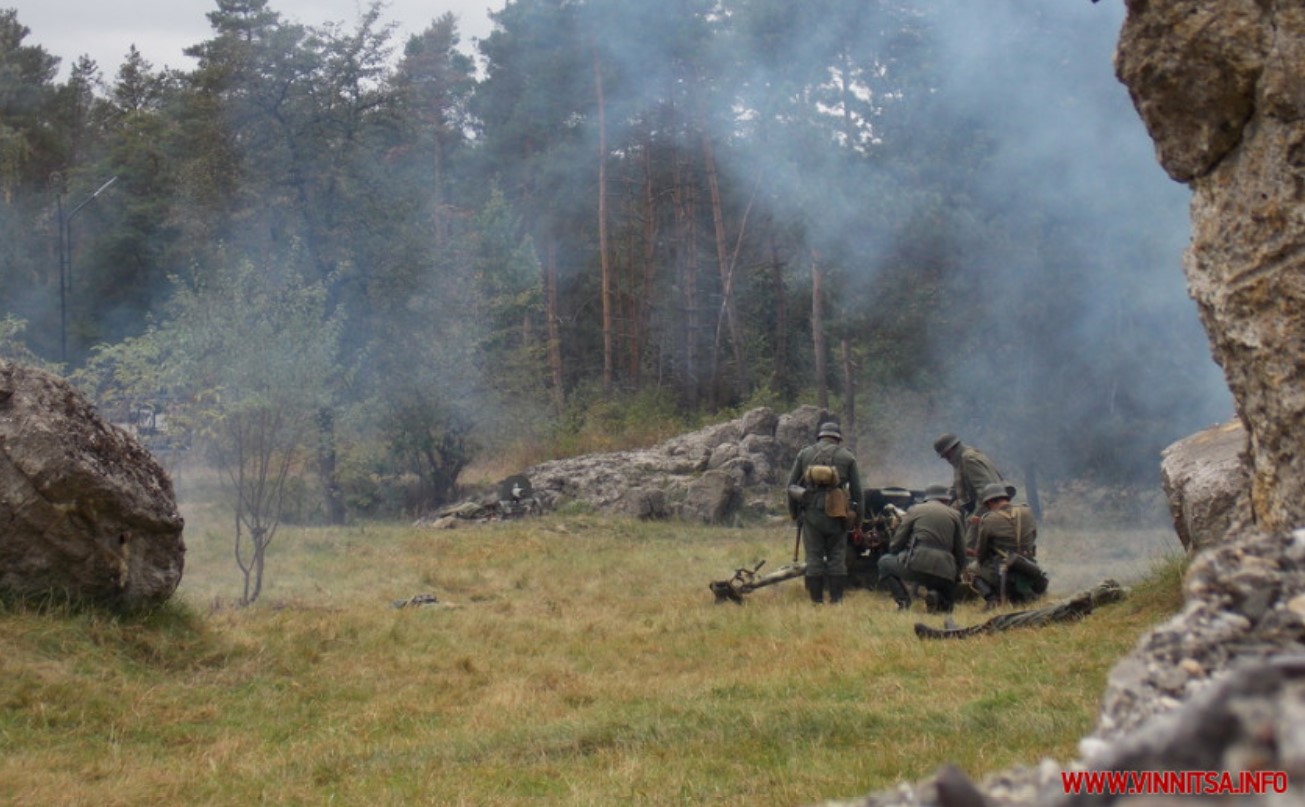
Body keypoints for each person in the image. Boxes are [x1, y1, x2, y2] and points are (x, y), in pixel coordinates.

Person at [787, 421, 863, 604]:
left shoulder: (805, 454)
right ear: (838, 438)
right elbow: (858, 493)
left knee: (813, 557)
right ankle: (836, 600)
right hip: (838, 513)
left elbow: (791, 486)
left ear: (820, 436)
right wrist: (857, 519)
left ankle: (816, 600)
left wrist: (794, 513)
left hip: (811, 513)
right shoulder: (847, 457)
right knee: (837, 556)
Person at [877, 484, 967, 612]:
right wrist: (956, 574)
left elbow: (896, 544)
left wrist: (901, 554)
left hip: (918, 566)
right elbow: (961, 551)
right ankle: (936, 595)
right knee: (945, 611)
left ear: (927, 499)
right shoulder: (955, 515)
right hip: (946, 571)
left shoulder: (915, 510)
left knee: (884, 562)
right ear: (946, 500)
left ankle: (903, 602)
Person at [971, 481, 1047, 608]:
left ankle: (992, 599)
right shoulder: (1027, 511)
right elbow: (1033, 536)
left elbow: (981, 554)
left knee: (973, 569)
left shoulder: (989, 519)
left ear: (990, 502)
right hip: (1029, 565)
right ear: (1006, 498)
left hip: (1005, 571)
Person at [933, 433, 1005, 549]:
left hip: (985, 511)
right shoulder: (962, 459)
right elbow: (957, 487)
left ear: (950, 449)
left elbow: (986, 493)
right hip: (985, 509)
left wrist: (975, 518)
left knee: (968, 549)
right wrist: (938, 504)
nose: (945, 459)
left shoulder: (969, 459)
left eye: (945, 455)